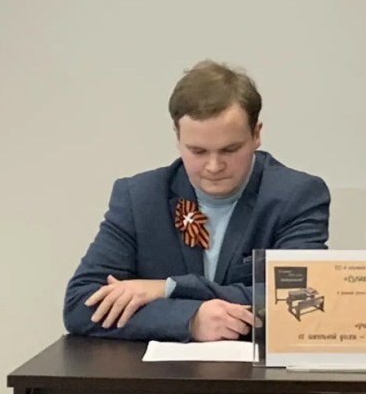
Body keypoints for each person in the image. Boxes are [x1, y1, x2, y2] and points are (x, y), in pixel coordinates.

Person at [63, 60, 330, 342]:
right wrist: (190, 320)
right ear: (177, 138)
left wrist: (169, 288)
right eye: (198, 151)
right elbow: (81, 304)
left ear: (256, 134)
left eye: (230, 149)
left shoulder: (297, 196)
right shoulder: (140, 197)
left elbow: (300, 298)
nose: (214, 166)